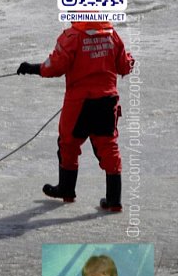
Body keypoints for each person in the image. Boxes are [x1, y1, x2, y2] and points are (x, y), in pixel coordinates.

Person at [17, 21, 134, 211]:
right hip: (107, 100)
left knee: (68, 143)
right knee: (108, 146)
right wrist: (129, 60)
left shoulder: (71, 36)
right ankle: (114, 200)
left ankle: (66, 189)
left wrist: (31, 68)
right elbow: (124, 66)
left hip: (79, 102)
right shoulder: (111, 35)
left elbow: (55, 66)